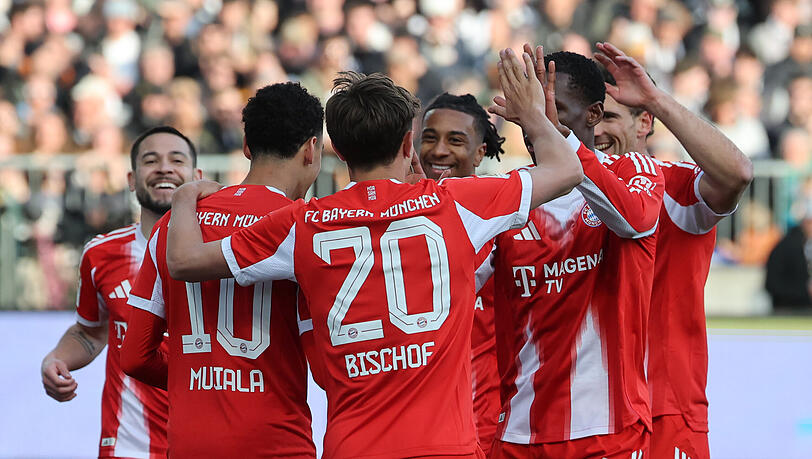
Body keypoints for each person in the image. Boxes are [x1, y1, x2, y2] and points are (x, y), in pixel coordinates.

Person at [164, 49, 585, 459]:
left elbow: (184, 261)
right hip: (443, 446)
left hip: (355, 446)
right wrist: (531, 115)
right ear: (408, 145)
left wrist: (185, 198)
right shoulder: (456, 204)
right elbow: (567, 170)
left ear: (339, 151)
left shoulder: (302, 223)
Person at [120, 83, 324, 457]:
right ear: (312, 149)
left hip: (190, 443)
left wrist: (193, 377)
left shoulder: (177, 224)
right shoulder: (303, 227)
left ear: (246, 145)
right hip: (276, 443)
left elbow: (134, 355)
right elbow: (326, 363)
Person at [482, 47, 664, 458]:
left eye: (554, 109)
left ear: (594, 115)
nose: (535, 127)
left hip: (611, 433)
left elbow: (634, 221)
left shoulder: (634, 172)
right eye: (530, 113)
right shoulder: (509, 196)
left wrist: (548, 131)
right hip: (518, 435)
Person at [594, 42, 753, 459]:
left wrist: (657, 98)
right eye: (590, 117)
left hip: (664, 411)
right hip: (587, 416)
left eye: (610, 117)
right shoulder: (562, 193)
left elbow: (737, 173)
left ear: (644, 122)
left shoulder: (674, 186)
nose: (596, 131)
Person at [40, 126, 201, 458]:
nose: (164, 168)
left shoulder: (222, 251)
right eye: (151, 160)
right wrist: (57, 359)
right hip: (129, 445)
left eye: (176, 159)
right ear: (132, 178)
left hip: (206, 441)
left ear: (197, 176)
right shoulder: (101, 254)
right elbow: (91, 332)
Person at [418, 92, 506, 455]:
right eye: (429, 137)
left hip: (483, 419)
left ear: (481, 152)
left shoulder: (505, 215)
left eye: (455, 140)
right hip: (413, 422)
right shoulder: (391, 214)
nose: (439, 150)